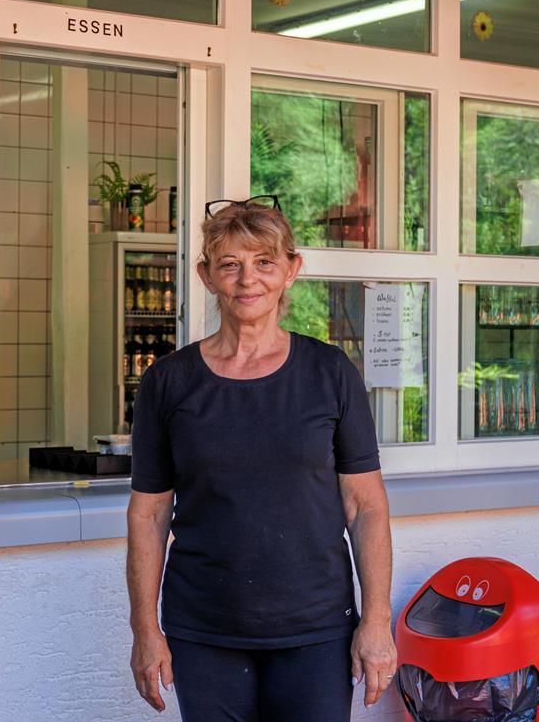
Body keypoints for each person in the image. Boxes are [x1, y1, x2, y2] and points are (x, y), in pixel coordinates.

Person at [126, 197, 397, 721]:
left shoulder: (329, 371)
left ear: (291, 270)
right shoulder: (169, 381)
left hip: (316, 629)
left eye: (264, 262)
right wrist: (145, 630)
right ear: (207, 276)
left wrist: (376, 621)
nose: (247, 279)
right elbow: (149, 513)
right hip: (204, 628)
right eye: (230, 264)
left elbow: (366, 507)